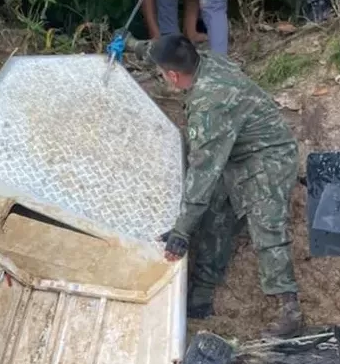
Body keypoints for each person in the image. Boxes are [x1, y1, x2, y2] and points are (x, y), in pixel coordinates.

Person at [128, 33, 304, 337]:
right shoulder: (204, 60)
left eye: (162, 74)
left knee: (266, 228)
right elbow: (161, 50)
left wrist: (182, 230)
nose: (162, 77)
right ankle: (200, 298)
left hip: (269, 156)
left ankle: (290, 311)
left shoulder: (210, 104)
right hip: (236, 152)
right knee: (215, 216)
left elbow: (203, 171)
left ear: (172, 76)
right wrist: (131, 44)